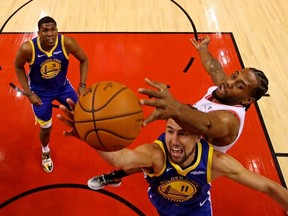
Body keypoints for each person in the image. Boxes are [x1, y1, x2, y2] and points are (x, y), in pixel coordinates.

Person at [86, 35, 269, 189]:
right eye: (235, 75)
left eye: (239, 86)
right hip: (185, 138)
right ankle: (117, 176)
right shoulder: (226, 89)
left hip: (198, 161)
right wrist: (203, 49)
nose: (230, 81)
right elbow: (215, 68)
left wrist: (176, 108)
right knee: (148, 158)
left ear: (247, 100)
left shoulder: (229, 120)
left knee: (172, 186)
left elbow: (206, 123)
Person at [56, 104, 288, 215]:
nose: (174, 140)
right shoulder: (156, 154)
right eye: (170, 131)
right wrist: (92, 138)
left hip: (196, 211)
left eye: (183, 133)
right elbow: (121, 159)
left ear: (198, 136)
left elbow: (269, 187)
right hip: (163, 207)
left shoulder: (216, 162)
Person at [14, 16, 88, 173]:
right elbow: (18, 66)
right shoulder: (28, 48)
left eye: (53, 29)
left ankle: (92, 135)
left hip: (62, 87)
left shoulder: (67, 43)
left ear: (57, 30)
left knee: (80, 113)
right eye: (45, 30)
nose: (50, 34)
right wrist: (28, 93)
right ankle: (45, 150)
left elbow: (84, 59)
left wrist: (82, 85)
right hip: (40, 93)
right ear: (39, 32)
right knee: (46, 128)